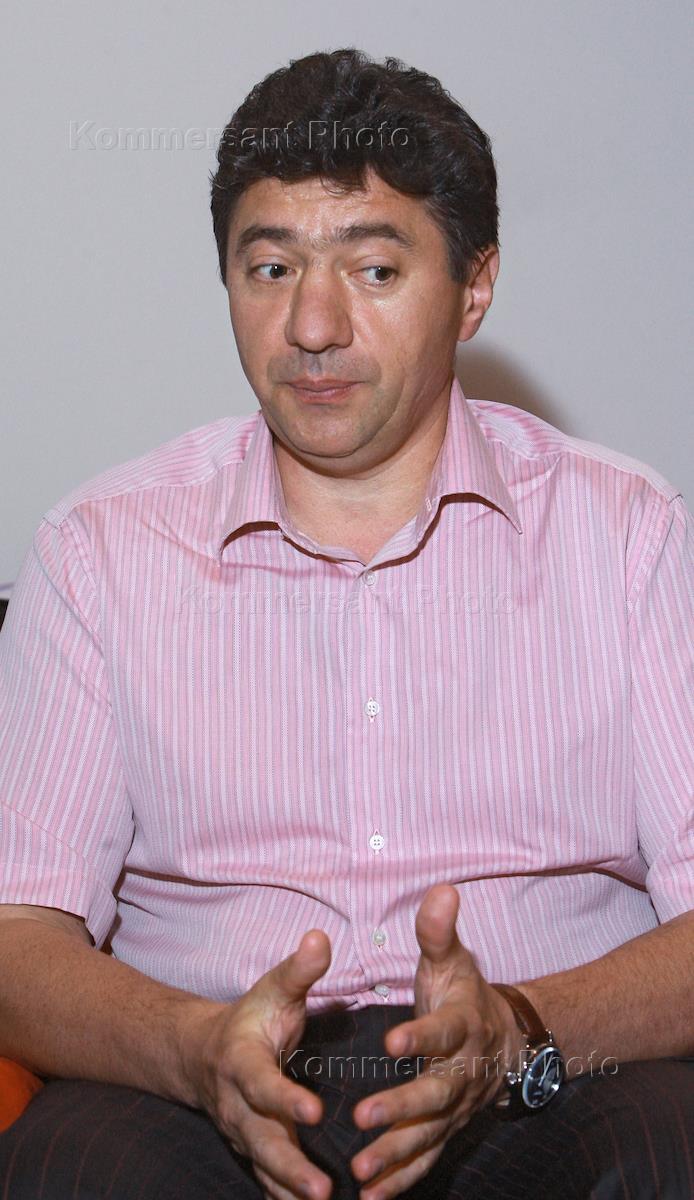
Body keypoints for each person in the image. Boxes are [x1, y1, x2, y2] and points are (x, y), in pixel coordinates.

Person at [0, 46, 692, 1200]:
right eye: (270, 268)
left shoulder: (627, 533)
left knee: (672, 1153)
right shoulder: (100, 551)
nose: (312, 325)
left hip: (546, 1066)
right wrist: (192, 1049)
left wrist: (520, 1026)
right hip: (206, 1072)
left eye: (373, 269)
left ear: (473, 287)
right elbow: (17, 935)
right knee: (69, 1171)